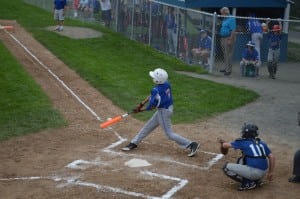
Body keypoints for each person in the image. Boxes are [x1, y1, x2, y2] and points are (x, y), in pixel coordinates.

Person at [122, 68, 200, 157]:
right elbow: (152, 96)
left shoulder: (156, 90)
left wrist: (140, 110)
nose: (152, 78)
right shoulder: (166, 84)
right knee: (148, 126)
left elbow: (152, 107)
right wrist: (141, 104)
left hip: (163, 112)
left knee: (170, 134)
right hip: (169, 107)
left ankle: (191, 144)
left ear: (157, 80)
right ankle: (134, 142)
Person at [221, 123, 276, 191]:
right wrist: (270, 172)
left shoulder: (242, 142)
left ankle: (248, 183)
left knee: (226, 167)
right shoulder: (261, 142)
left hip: (255, 173)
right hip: (264, 172)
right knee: (241, 159)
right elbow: (272, 157)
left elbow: (225, 146)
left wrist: (223, 143)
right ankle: (257, 180)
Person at [219, 7, 236, 76]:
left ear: (225, 13)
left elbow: (233, 30)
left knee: (229, 54)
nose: (221, 15)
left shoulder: (231, 18)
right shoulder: (225, 19)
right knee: (225, 54)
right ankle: (226, 68)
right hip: (223, 38)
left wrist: (230, 39)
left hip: (228, 38)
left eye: (222, 13)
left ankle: (228, 70)